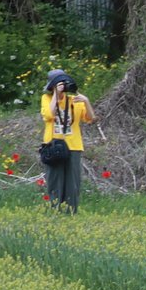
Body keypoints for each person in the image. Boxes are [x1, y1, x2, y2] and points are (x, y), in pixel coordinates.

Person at [39, 69, 95, 213]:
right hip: (53, 144)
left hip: (73, 145)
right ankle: (56, 211)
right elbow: (49, 115)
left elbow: (91, 119)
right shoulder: (47, 98)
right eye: (59, 84)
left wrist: (86, 101)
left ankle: (70, 212)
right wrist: (56, 96)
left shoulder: (74, 100)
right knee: (55, 181)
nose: (63, 87)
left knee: (73, 182)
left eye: (64, 84)